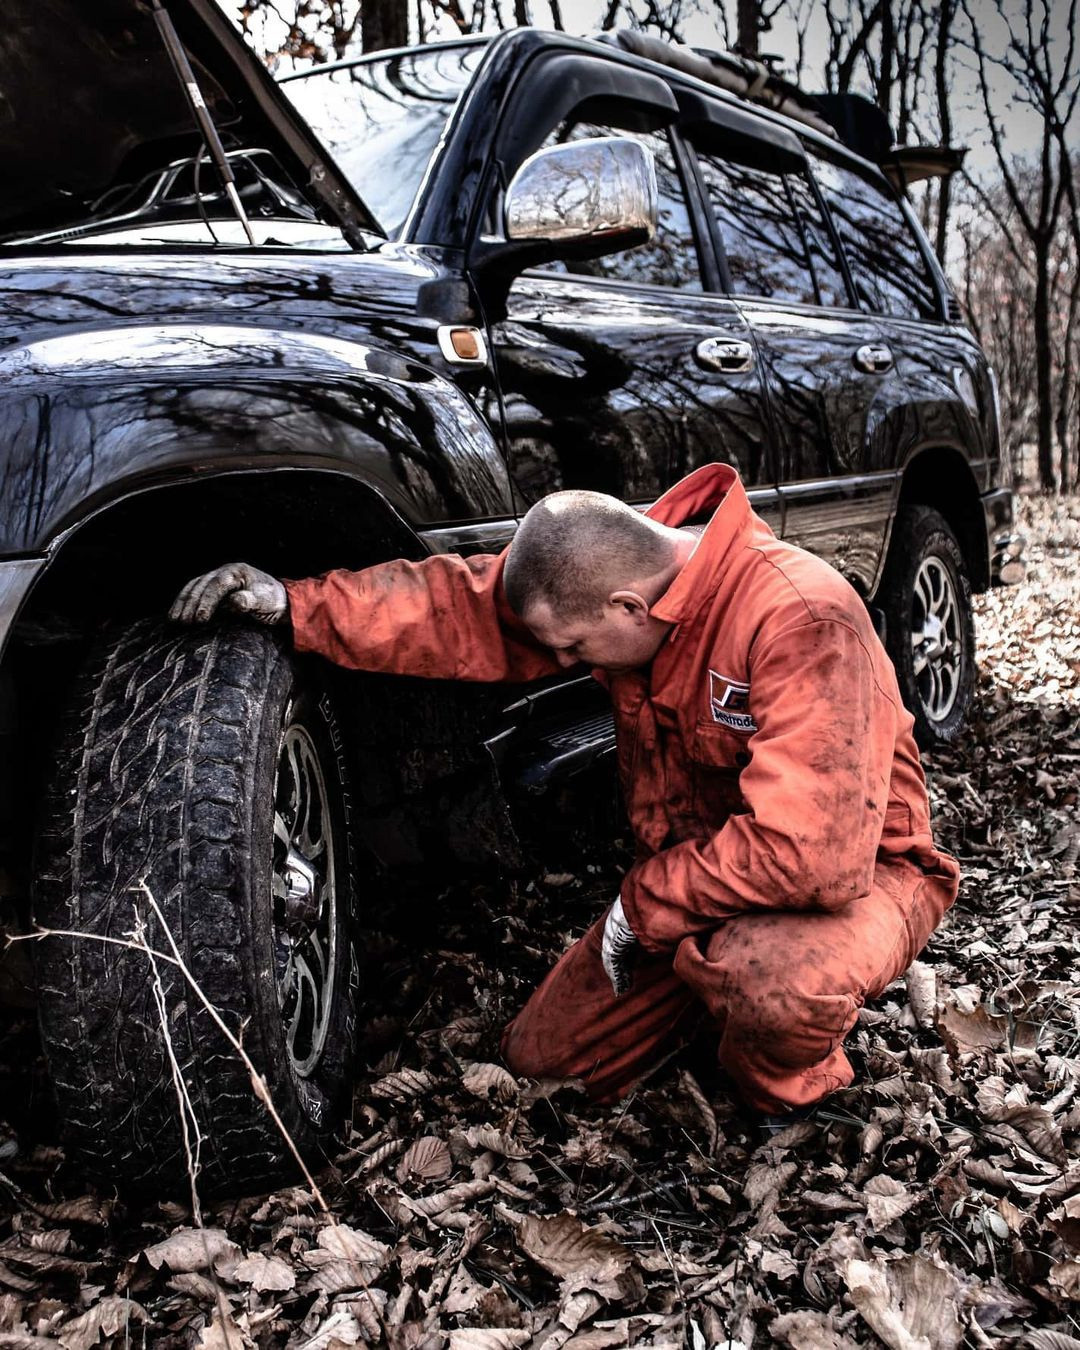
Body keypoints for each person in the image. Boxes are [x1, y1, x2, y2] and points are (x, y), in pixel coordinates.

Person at [171, 463, 959, 1116]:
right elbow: (460, 607)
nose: (570, 660)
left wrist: (642, 907)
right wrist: (296, 604)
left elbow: (812, 857)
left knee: (775, 991)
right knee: (541, 1060)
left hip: (855, 882)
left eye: (576, 647)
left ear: (627, 608)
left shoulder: (800, 617)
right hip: (705, 887)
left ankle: (786, 1094)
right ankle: (704, 984)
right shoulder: (616, 576)